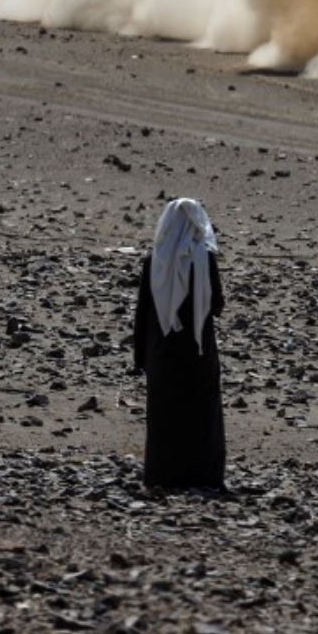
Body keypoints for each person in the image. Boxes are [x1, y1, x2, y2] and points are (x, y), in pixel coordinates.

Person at [133, 197, 226, 490]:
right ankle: (203, 476)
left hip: (162, 355)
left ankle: (163, 476)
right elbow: (218, 305)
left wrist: (140, 357)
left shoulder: (154, 261)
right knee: (200, 416)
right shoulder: (204, 259)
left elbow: (143, 312)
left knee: (165, 418)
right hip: (198, 353)